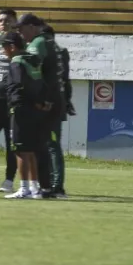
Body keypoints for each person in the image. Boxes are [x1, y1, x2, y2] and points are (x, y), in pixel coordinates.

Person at [17, 13, 62, 197]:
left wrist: (43, 100)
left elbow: (35, 74)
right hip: (54, 99)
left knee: (41, 145)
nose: (20, 33)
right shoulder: (50, 42)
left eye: (21, 29)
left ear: (32, 27)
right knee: (47, 144)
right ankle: (48, 187)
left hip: (46, 102)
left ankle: (47, 187)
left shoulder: (38, 44)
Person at [1, 32, 46, 199]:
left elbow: (20, 85)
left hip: (21, 109)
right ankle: (35, 188)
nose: (2, 51)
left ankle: (24, 188)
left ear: (12, 47)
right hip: (34, 110)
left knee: (20, 149)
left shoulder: (16, 63)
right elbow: (39, 83)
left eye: (4, 47)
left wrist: (17, 102)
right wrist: (39, 101)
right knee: (31, 149)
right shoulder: (31, 60)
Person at [0, 9, 19, 193]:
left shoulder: (18, 42)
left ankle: (9, 180)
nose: (3, 23)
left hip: (11, 100)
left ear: (15, 22)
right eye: (0, 20)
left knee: (11, 142)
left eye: (7, 20)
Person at [50, 26, 74, 199]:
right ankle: (52, 184)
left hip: (52, 106)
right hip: (59, 104)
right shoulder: (61, 53)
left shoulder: (55, 53)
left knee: (52, 146)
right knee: (51, 145)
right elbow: (66, 81)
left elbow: (63, 80)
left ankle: (56, 186)